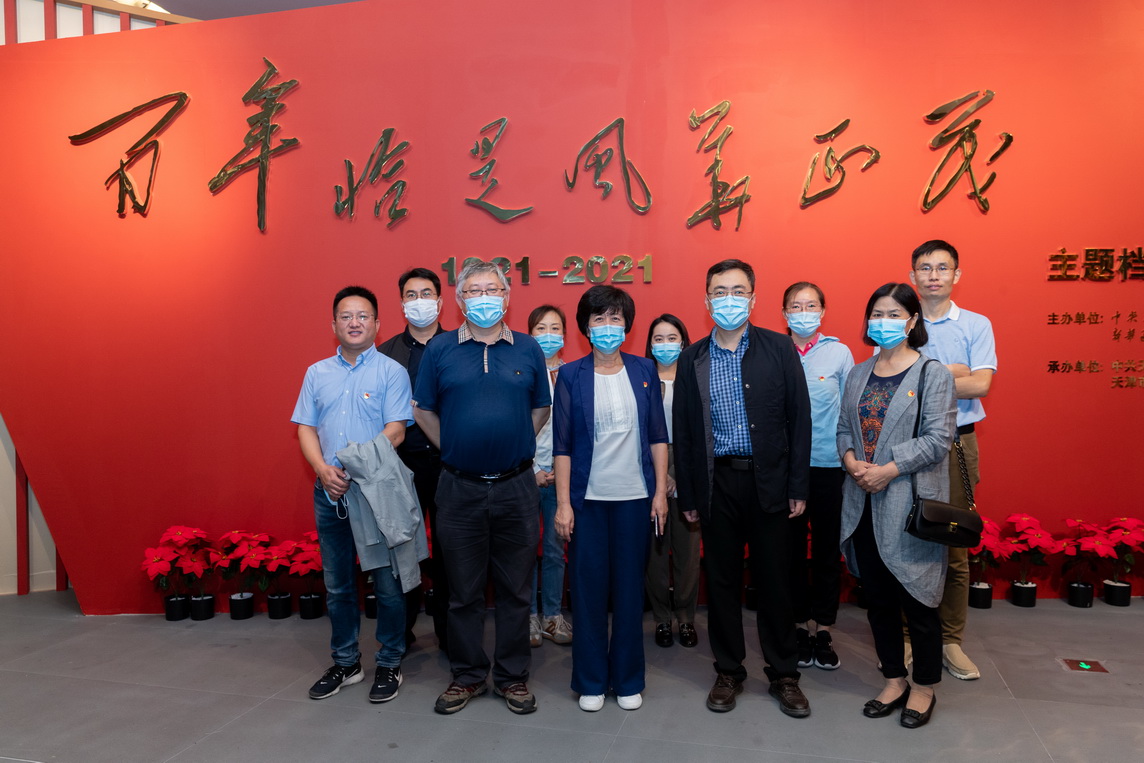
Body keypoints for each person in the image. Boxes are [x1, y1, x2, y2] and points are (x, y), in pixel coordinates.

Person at [673, 259, 813, 717]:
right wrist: (690, 495)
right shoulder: (693, 358)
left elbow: (800, 420)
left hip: (769, 480)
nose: (728, 299)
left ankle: (784, 673)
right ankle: (729, 670)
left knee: (775, 581)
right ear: (707, 299)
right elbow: (685, 434)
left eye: (738, 291)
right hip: (717, 484)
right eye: (719, 291)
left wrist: (798, 484)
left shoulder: (779, 348)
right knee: (722, 581)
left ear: (753, 298)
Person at [413, 260, 551, 716]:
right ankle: (467, 676)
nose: (484, 297)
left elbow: (541, 409)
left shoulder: (528, 348)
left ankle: (512, 677)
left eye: (493, 289)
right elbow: (423, 410)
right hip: (458, 488)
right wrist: (456, 446)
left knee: (515, 590)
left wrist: (514, 444)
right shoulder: (440, 350)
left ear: (507, 297)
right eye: (474, 290)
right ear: (459, 300)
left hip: (516, 487)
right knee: (462, 592)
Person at [837, 282, 955, 730]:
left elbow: (939, 439)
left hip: (907, 503)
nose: (883, 322)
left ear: (912, 321)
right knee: (879, 601)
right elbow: (844, 429)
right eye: (876, 314)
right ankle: (893, 679)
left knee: (919, 602)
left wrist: (888, 469)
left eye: (893, 314)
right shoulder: (858, 373)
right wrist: (851, 460)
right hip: (862, 502)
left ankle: (923, 687)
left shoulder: (932, 374)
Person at [291, 285, 414, 703]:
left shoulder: (391, 372)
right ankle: (346, 662)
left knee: (388, 584)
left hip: (376, 492)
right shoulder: (316, 373)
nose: (355, 322)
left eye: (363, 316)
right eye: (346, 316)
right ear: (334, 325)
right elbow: (306, 428)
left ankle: (390, 661)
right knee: (338, 584)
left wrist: (355, 465)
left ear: (377, 324)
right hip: (330, 491)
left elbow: (396, 431)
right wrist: (323, 469)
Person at [553, 285, 668, 712]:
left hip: (635, 498)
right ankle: (591, 680)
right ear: (585, 327)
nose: (607, 326)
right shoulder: (571, 375)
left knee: (629, 592)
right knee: (588, 591)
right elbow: (562, 445)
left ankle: (628, 678)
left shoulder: (644, 370)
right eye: (598, 318)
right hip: (588, 501)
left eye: (615, 318)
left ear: (627, 325)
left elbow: (658, 436)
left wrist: (660, 491)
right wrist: (563, 503)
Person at [907, 239, 996, 681]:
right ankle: (908, 637)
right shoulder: (901, 322)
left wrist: (927, 378)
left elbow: (981, 385)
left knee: (955, 545)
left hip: (958, 444)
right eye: (925, 268)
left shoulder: (976, 324)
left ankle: (951, 640)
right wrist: (954, 372)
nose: (934, 275)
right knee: (906, 541)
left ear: (956, 275)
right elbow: (893, 387)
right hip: (909, 444)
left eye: (943, 267)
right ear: (913, 276)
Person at [781, 282, 854, 671]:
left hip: (829, 466)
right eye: (796, 306)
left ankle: (823, 628)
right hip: (785, 469)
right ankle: (796, 625)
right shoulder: (774, 350)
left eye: (811, 306)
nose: (804, 312)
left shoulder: (839, 353)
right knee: (790, 551)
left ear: (823, 311)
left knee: (826, 550)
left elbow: (851, 411)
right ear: (784, 313)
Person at [378, 267, 450, 654]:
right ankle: (399, 634)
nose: (419, 301)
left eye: (426, 294)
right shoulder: (386, 354)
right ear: (401, 303)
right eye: (411, 294)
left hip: (450, 464)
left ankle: (449, 634)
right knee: (401, 551)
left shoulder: (459, 346)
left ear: (439, 301)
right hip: (400, 467)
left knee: (451, 551)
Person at [643, 313, 701, 650]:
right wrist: (660, 474)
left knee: (688, 551)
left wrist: (678, 475)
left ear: (683, 342)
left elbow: (703, 433)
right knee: (655, 550)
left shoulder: (695, 377)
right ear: (650, 344)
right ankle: (662, 618)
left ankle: (686, 617)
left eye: (672, 338)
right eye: (658, 339)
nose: (665, 345)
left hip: (689, 466)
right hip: (651, 464)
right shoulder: (642, 378)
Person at [527, 304, 574, 648]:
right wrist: (533, 470)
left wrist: (560, 471)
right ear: (530, 335)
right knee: (526, 550)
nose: (548, 335)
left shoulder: (573, 375)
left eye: (555, 328)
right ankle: (529, 615)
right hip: (526, 475)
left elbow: (578, 429)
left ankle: (553, 616)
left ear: (565, 335)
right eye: (541, 329)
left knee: (557, 550)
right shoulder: (522, 374)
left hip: (562, 476)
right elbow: (515, 427)